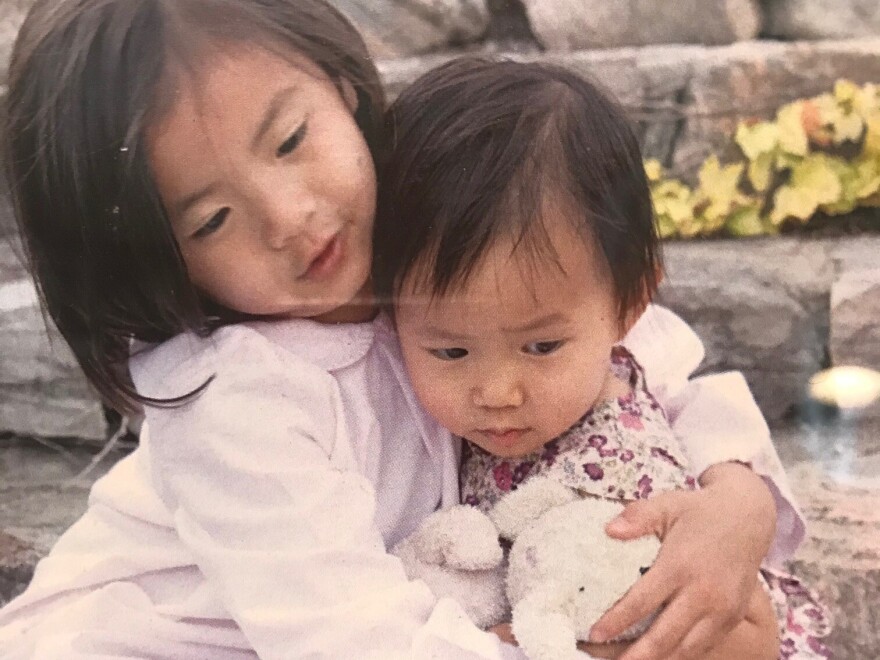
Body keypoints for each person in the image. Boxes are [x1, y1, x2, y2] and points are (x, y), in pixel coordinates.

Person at [0, 1, 805, 658]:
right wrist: (588, 645)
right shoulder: (235, 400)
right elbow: (352, 638)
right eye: (211, 219)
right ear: (156, 262)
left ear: (346, 88)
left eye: (289, 140)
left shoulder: (415, 240)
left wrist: (739, 505)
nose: (291, 218)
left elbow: (639, 356)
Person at [374, 57, 831, 659]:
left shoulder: (637, 350)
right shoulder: (398, 420)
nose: (498, 391)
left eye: (542, 346)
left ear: (628, 305)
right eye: (451, 350)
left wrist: (736, 500)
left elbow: (711, 416)